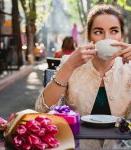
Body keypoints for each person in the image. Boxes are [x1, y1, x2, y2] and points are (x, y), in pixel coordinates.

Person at [35, 4, 131, 149]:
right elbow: (42, 111)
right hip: (76, 145)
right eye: (98, 32)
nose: (107, 38)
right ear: (89, 37)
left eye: (114, 31)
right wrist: (69, 66)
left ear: (122, 36)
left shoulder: (129, 67)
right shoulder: (71, 62)